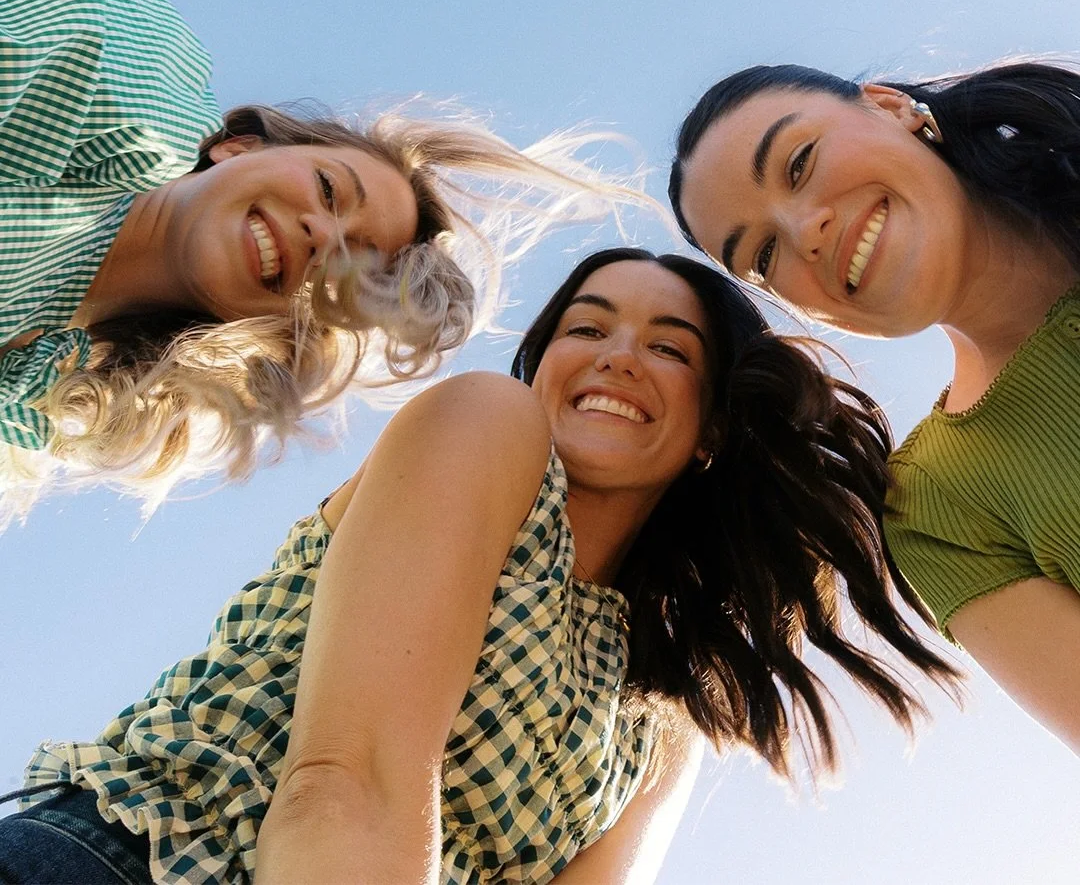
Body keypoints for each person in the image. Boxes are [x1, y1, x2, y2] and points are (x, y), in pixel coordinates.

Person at [0, 248, 955, 885]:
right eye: (586, 329)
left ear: (709, 427)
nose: (619, 357)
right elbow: (345, 785)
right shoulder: (484, 425)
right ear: (541, 367)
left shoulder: (674, 701)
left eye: (670, 348)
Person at [0, 0, 632, 523]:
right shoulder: (116, 89)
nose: (323, 239)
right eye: (329, 189)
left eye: (349, 269)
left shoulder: (54, 393)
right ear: (237, 147)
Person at [669, 60, 1080, 753]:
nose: (805, 232)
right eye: (765, 254)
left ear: (891, 109)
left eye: (799, 162)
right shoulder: (939, 508)